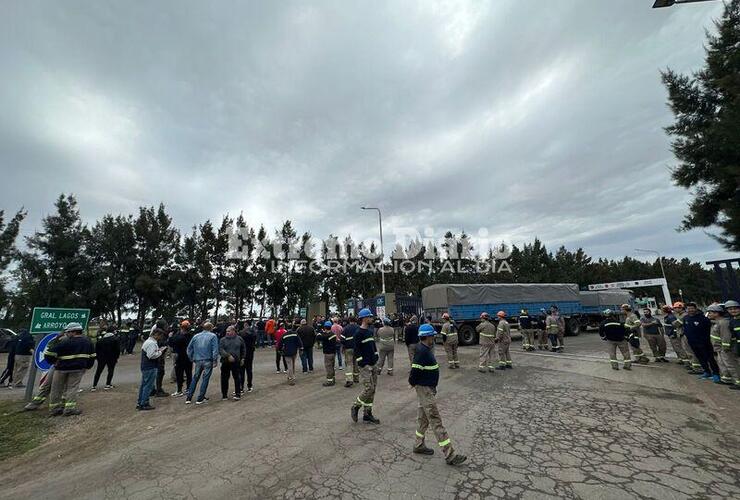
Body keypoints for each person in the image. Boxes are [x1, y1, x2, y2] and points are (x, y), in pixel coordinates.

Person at [409, 323, 467, 466]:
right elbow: (414, 371)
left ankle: (418, 445)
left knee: (423, 419)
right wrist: (415, 383)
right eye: (433, 335)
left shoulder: (425, 349)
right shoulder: (422, 351)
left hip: (427, 388)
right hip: (425, 390)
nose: (434, 337)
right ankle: (450, 455)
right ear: (427, 336)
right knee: (435, 420)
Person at [45, 322, 95, 416]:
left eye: (68, 332)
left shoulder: (64, 342)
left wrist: (53, 361)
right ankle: (69, 409)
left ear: (73, 332)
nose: (67, 334)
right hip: (78, 369)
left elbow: (49, 353)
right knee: (72, 388)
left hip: (61, 369)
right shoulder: (88, 342)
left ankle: (54, 409)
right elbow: (92, 356)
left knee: (56, 389)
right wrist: (87, 366)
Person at [24, 331, 66, 411]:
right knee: (46, 385)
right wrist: (57, 338)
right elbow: (49, 349)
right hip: (56, 365)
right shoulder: (59, 341)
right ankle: (35, 403)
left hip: (64, 367)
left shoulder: (72, 341)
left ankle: (60, 406)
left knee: (60, 387)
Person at [351, 308, 380, 424]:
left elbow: (373, 346)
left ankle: (367, 413)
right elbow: (356, 350)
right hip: (365, 366)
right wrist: (362, 363)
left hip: (373, 364)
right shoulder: (358, 333)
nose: (371, 319)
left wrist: (376, 355)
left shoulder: (369, 331)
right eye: (370, 317)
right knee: (369, 388)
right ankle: (356, 406)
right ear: (364, 318)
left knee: (373, 390)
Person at [682, 302, 720, 381]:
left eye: (692, 308)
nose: (690, 310)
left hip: (704, 342)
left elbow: (709, 330)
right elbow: (685, 329)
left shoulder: (703, 319)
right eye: (688, 309)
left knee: (710, 358)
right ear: (686, 309)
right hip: (692, 343)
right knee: (700, 358)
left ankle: (716, 373)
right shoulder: (686, 318)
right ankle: (706, 371)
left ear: (695, 309)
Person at [186, 322, 220, 405]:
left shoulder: (196, 336)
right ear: (211, 328)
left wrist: (191, 358)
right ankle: (200, 398)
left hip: (198, 359)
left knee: (195, 378)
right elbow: (215, 349)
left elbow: (189, 348)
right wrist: (215, 360)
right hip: (208, 360)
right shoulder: (213, 336)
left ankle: (189, 397)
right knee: (205, 379)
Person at [707, 303, 737, 387]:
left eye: (710, 312)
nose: (708, 314)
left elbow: (726, 336)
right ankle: (726, 379)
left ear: (717, 313)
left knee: (731, 365)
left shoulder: (724, 323)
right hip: (720, 349)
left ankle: (737, 381)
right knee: (723, 365)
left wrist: (725, 348)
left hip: (725, 349)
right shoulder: (716, 322)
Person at [137, 328, 168, 410]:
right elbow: (151, 355)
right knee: (148, 386)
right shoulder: (151, 343)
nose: (160, 338)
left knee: (143, 385)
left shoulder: (148, 342)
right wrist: (160, 352)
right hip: (150, 366)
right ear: (156, 335)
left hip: (145, 366)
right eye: (160, 336)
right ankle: (144, 403)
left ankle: (140, 402)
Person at [672, 302, 702, 373]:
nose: (675, 309)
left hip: (686, 335)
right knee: (689, 352)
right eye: (675, 308)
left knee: (690, 352)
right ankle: (694, 366)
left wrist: (674, 323)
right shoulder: (681, 315)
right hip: (683, 335)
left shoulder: (684, 315)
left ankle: (697, 368)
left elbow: (676, 324)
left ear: (681, 308)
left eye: (677, 308)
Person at [219, 325, 246, 399]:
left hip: (236, 361)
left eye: (229, 331)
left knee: (237, 377)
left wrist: (243, 358)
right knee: (224, 378)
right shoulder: (222, 340)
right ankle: (224, 395)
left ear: (233, 331)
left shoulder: (239, 339)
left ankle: (238, 393)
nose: (227, 332)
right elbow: (221, 350)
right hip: (225, 361)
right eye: (226, 331)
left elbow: (243, 349)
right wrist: (228, 356)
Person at [92, 325, 121, 391]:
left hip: (101, 358)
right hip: (112, 358)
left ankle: (94, 386)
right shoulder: (115, 339)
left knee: (98, 371)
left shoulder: (100, 340)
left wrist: (97, 357)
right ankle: (108, 384)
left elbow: (96, 350)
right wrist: (116, 357)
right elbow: (117, 350)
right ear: (113, 331)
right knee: (110, 370)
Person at [723, 300, 740, 390]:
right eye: (730, 309)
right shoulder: (732, 321)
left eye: (735, 309)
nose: (733, 311)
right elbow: (733, 336)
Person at [318, 321, 338, 386]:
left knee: (328, 367)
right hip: (333, 353)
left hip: (328, 353)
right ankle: (333, 378)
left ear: (325, 327)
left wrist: (321, 332)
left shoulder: (325, 335)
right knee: (332, 366)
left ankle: (330, 381)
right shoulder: (333, 334)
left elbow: (318, 337)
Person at [341, 317, 360, 387]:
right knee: (356, 363)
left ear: (349, 321)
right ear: (355, 321)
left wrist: (344, 346)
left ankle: (349, 380)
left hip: (348, 348)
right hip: (357, 348)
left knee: (349, 364)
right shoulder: (358, 328)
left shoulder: (346, 328)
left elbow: (342, 339)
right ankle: (356, 378)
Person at [239, 322, 257, 393]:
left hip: (242, 353)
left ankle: (241, 387)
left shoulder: (241, 333)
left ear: (245, 325)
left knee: (241, 370)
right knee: (249, 369)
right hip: (250, 352)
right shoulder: (253, 332)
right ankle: (249, 386)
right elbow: (254, 340)